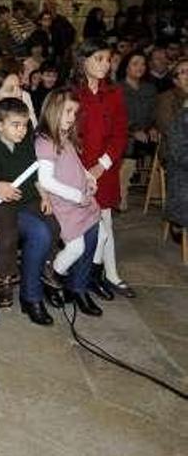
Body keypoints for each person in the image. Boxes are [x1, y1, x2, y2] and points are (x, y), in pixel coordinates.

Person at [0, 97, 61, 324]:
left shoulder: (26, 142)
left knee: (53, 222)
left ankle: (47, 264)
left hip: (27, 198)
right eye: (15, 125)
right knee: (8, 233)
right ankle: (5, 277)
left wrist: (45, 196)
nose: (22, 130)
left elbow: (34, 173)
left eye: (25, 125)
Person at [73, 39, 133, 299]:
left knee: (105, 224)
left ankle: (105, 275)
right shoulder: (73, 93)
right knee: (94, 230)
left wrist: (102, 165)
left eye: (108, 59)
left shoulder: (115, 93)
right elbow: (66, 134)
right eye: (99, 58)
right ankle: (89, 277)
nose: (105, 64)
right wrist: (83, 170)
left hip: (105, 169)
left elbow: (120, 134)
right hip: (78, 169)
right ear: (83, 61)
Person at [35, 89, 104, 316]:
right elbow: (46, 180)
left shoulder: (65, 137)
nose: (72, 117)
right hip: (66, 205)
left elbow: (77, 164)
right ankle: (53, 274)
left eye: (75, 112)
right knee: (76, 247)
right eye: (68, 111)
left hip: (82, 199)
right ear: (53, 110)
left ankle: (79, 284)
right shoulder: (45, 141)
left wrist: (89, 177)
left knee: (101, 235)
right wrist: (76, 196)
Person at [117, 50, 158, 211]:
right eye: (135, 63)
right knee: (129, 145)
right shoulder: (117, 88)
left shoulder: (150, 88)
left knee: (161, 141)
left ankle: (155, 192)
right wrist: (133, 130)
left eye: (142, 64)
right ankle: (121, 193)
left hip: (146, 132)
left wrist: (153, 127)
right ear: (126, 67)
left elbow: (154, 113)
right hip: (125, 133)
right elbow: (117, 117)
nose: (140, 67)